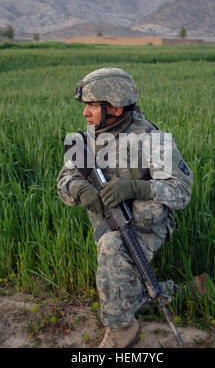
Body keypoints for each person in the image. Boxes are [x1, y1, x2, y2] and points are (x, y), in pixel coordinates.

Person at [57, 67, 196, 348]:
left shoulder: (153, 140)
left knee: (112, 249)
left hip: (147, 227)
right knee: (114, 251)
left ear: (116, 108)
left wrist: (137, 188)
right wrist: (78, 188)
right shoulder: (87, 140)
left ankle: (121, 327)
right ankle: (163, 295)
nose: (85, 113)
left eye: (93, 105)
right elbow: (64, 179)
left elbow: (182, 192)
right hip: (108, 222)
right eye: (86, 106)